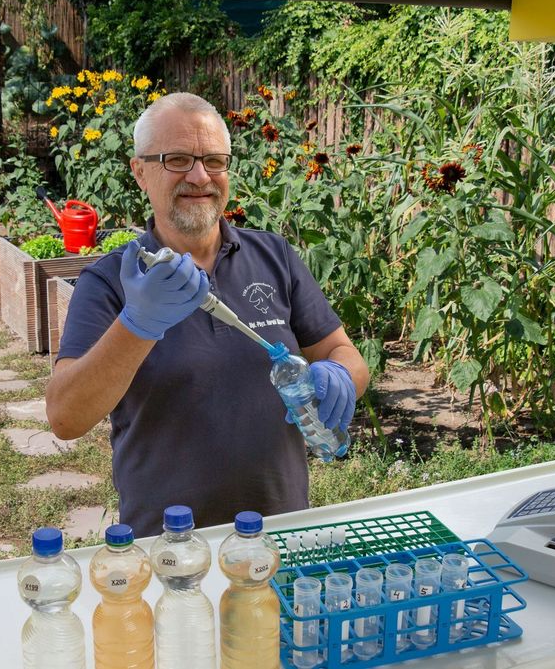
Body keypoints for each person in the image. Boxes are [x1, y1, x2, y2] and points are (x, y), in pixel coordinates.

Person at [45, 92, 369, 537]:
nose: (200, 176)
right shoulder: (111, 281)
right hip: (170, 549)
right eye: (177, 159)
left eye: (214, 160)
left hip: (281, 536)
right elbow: (65, 417)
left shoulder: (274, 256)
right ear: (140, 171)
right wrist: (137, 325)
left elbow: (342, 351)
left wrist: (340, 376)